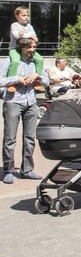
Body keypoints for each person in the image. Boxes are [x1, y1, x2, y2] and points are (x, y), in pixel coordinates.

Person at [0, 37, 48, 183]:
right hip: (13, 102)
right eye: (30, 47)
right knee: (10, 139)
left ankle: (27, 169)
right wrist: (17, 79)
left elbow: (47, 81)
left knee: (30, 138)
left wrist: (38, 76)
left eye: (34, 47)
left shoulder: (36, 63)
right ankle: (8, 170)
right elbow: (0, 80)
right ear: (22, 47)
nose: (32, 50)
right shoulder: (9, 61)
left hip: (31, 102)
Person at [4, 6, 44, 94]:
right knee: (15, 61)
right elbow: (18, 36)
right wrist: (28, 35)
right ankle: (11, 82)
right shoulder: (14, 25)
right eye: (23, 15)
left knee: (40, 59)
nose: (26, 17)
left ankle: (37, 79)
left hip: (29, 49)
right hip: (15, 48)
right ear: (17, 16)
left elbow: (35, 39)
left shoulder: (29, 26)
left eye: (28, 15)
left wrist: (26, 34)